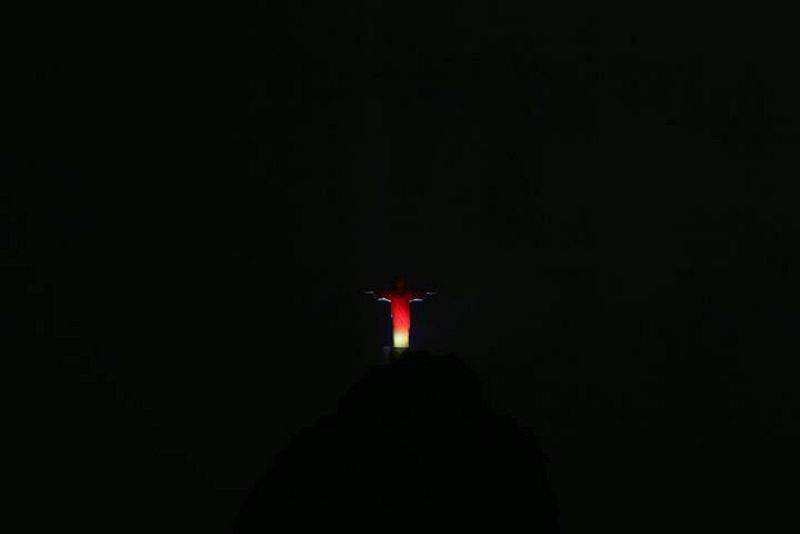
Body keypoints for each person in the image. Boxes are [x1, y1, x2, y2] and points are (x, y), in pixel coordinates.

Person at [363, 276, 436, 349]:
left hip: (399, 320)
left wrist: (375, 293)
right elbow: (419, 295)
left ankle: (401, 351)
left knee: (400, 336)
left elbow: (381, 295)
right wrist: (424, 293)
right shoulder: (405, 293)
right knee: (401, 336)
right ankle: (401, 351)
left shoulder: (395, 293)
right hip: (402, 320)